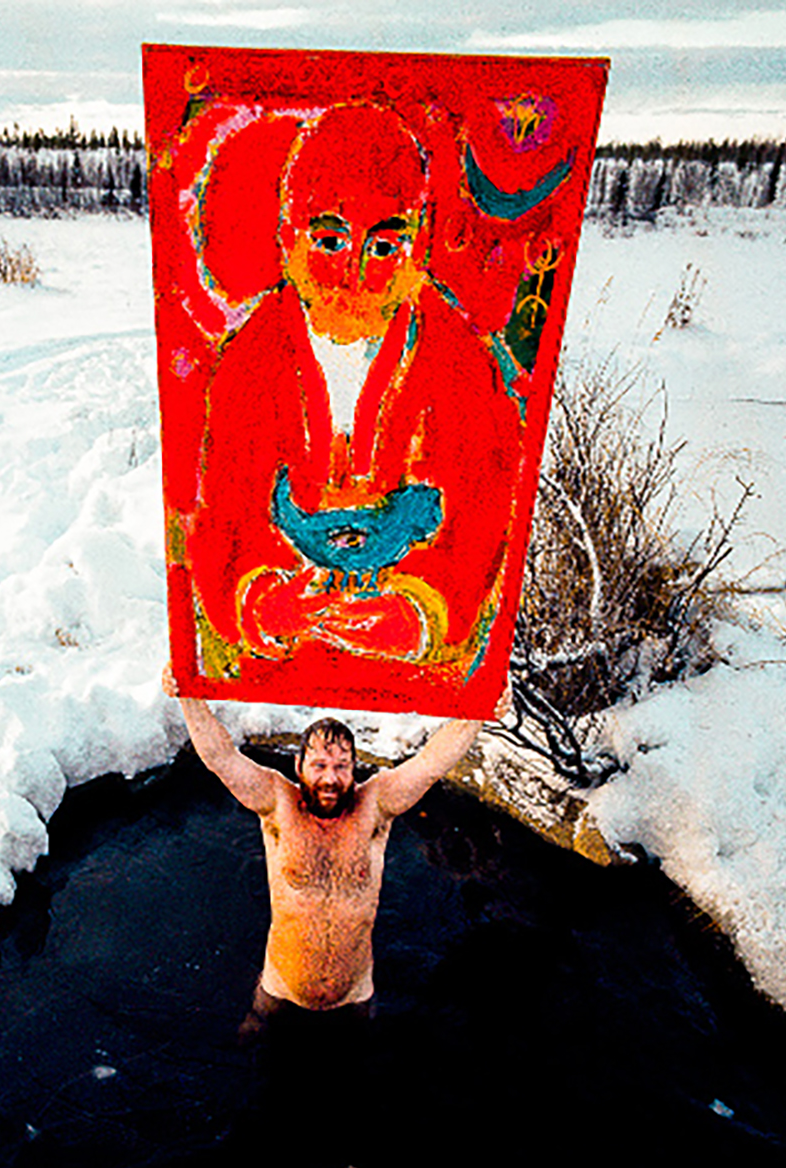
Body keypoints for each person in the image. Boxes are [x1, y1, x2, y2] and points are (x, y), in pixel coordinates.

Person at [187, 102, 524, 692]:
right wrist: (262, 604)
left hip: (411, 657)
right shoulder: (253, 358)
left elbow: (485, 508)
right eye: (329, 241)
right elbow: (222, 512)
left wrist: (423, 612)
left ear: (418, 246)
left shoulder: (457, 356)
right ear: (289, 237)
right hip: (282, 652)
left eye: (384, 248)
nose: (355, 274)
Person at [163, 665, 511, 1015]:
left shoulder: (375, 806)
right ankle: (255, 1021)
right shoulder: (277, 803)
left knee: (369, 1047)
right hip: (279, 987)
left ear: (354, 768)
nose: (330, 778)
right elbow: (221, 757)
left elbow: (431, 763)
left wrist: (478, 713)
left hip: (355, 993)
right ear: (298, 766)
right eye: (319, 766)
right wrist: (188, 698)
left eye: (341, 766)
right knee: (252, 1036)